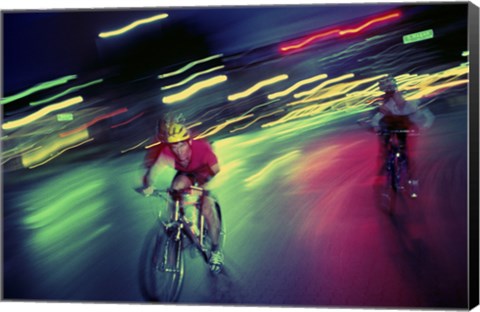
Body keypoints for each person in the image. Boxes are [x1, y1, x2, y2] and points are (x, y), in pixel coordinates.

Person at [142, 117, 224, 273]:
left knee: (207, 208)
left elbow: (216, 171)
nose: (179, 150)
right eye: (175, 146)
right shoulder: (167, 151)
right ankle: (183, 226)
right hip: (186, 174)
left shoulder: (202, 149)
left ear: (189, 142)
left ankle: (215, 250)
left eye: (182, 145)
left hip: (206, 173)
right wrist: (149, 185)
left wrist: (205, 189)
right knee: (175, 188)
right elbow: (154, 170)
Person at [371, 75, 434, 198]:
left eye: (391, 90)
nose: (389, 93)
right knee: (384, 152)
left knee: (407, 155)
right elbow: (378, 117)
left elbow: (426, 115)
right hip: (390, 128)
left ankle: (413, 181)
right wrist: (375, 126)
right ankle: (385, 174)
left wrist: (424, 126)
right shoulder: (385, 103)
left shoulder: (409, 103)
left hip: (405, 129)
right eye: (386, 90)